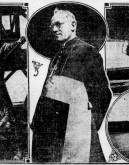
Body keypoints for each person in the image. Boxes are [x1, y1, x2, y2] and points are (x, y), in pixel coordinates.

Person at [31, 9, 112, 163]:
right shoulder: (56, 56)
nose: (54, 29)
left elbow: (103, 94)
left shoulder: (88, 52)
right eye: (52, 26)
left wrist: (87, 126)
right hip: (49, 134)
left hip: (75, 134)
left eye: (58, 24)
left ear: (73, 25)